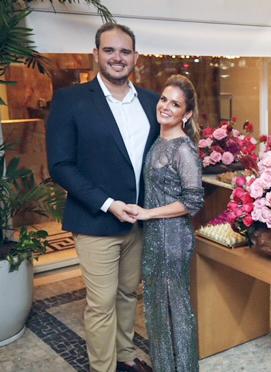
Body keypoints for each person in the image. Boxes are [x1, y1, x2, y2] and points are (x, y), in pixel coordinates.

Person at [46, 23, 158, 372]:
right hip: (96, 220)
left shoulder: (153, 102)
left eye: (125, 52)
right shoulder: (71, 100)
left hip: (138, 221)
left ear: (135, 57)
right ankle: (103, 367)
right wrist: (109, 204)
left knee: (128, 294)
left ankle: (125, 354)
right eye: (109, 50)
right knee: (101, 302)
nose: (117, 58)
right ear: (96, 54)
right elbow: (61, 165)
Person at [127, 74, 204, 372]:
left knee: (178, 311)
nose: (166, 107)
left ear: (186, 114)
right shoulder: (158, 140)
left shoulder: (184, 149)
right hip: (155, 239)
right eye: (163, 99)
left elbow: (193, 202)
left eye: (176, 104)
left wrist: (147, 213)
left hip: (174, 240)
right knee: (157, 309)